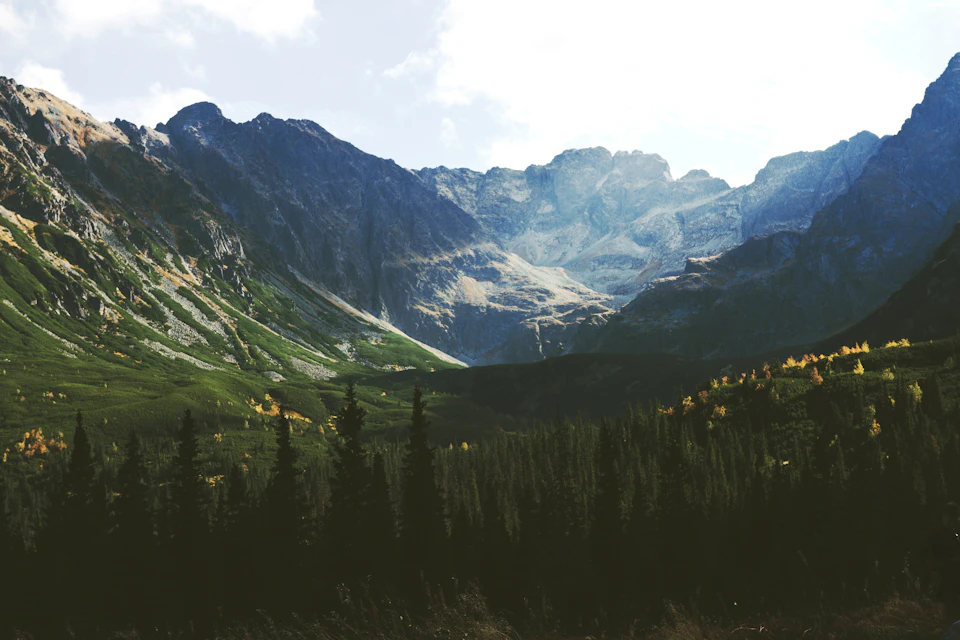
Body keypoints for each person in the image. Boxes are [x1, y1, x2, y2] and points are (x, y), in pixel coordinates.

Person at [930, 502, 960, 631]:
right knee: (952, 617)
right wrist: (954, 560)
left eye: (955, 517)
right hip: (948, 583)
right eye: (949, 517)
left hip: (956, 582)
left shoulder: (956, 534)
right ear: (943, 517)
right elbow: (933, 561)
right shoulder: (937, 536)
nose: (952, 521)